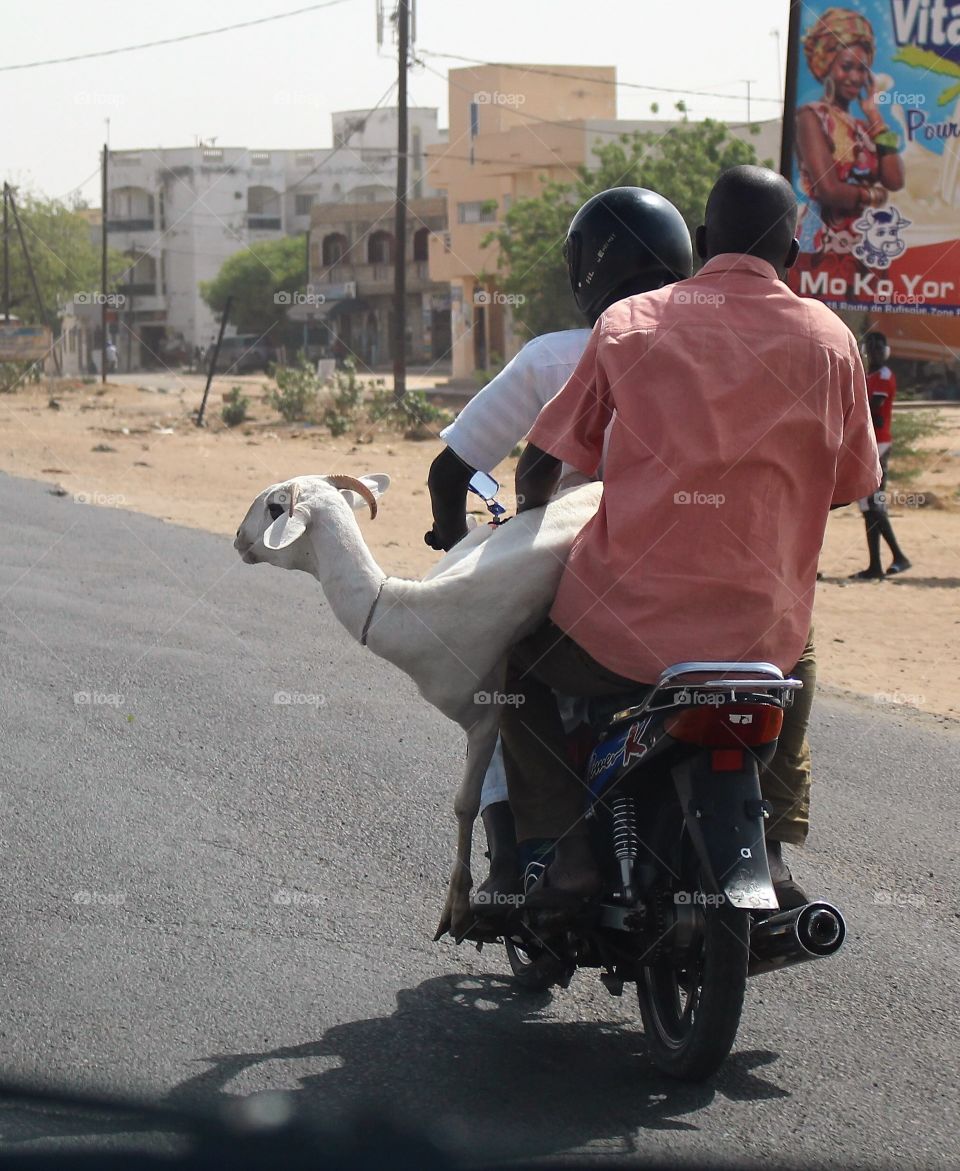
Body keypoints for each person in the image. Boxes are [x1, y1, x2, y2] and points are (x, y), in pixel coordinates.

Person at [496, 165, 881, 912]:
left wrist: (528, 519)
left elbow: (545, 461)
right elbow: (845, 487)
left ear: (702, 243)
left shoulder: (630, 323)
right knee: (798, 653)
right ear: (793, 254)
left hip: (620, 633)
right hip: (758, 632)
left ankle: (567, 852)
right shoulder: (834, 342)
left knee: (519, 665)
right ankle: (771, 846)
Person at [426, 188, 693, 914]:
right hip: (710, 584)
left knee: (504, 676)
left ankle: (516, 860)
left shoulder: (559, 357)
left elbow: (455, 469)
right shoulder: (714, 349)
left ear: (592, 268)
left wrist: (456, 542)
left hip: (588, 589)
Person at [794, 7, 905, 281]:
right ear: (825, 64)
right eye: (846, 67)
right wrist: (872, 195)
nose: (855, 77)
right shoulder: (811, 116)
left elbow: (894, 179)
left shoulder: (864, 128)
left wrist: (874, 116)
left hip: (864, 243)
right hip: (822, 242)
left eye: (861, 69)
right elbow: (828, 189)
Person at [851, 331, 910, 579]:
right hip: (867, 444)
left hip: (880, 445)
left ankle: (899, 557)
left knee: (874, 503)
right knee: (868, 506)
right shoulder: (868, 376)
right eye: (871, 349)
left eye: (878, 349)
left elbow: (871, 409)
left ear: (884, 352)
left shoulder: (885, 377)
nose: (874, 353)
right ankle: (875, 565)